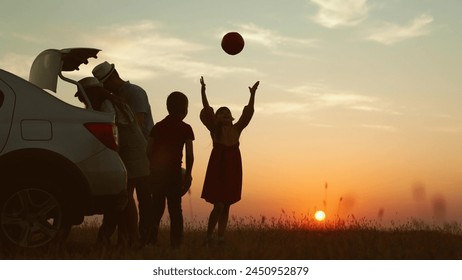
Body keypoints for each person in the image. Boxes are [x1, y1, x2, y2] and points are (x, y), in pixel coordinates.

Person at [75, 77, 150, 248]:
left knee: (123, 197)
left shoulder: (106, 106)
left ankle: (124, 237)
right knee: (123, 198)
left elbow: (109, 133)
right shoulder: (110, 102)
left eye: (81, 96)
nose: (80, 100)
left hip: (132, 154)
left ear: (90, 93)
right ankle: (124, 239)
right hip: (133, 152)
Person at [93, 61, 154, 243]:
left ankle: (144, 237)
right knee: (127, 198)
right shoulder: (118, 96)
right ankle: (129, 237)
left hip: (142, 150)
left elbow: (138, 122)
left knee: (141, 198)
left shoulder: (134, 92)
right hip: (132, 151)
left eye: (105, 85)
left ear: (112, 78)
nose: (106, 89)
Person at [199, 76, 259, 246]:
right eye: (221, 112)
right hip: (218, 167)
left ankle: (220, 237)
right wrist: (203, 91)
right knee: (218, 204)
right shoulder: (214, 129)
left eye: (227, 112)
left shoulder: (236, 129)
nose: (225, 113)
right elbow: (207, 109)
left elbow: (248, 114)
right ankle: (209, 236)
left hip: (232, 166)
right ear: (216, 118)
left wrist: (252, 94)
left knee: (226, 205)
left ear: (231, 118)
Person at [146, 91, 194, 248]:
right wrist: (188, 175)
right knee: (175, 209)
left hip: (157, 173)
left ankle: (151, 240)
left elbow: (148, 150)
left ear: (167, 107)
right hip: (174, 174)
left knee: (156, 208)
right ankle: (176, 244)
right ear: (185, 110)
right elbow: (190, 155)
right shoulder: (186, 128)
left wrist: (153, 167)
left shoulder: (157, 127)